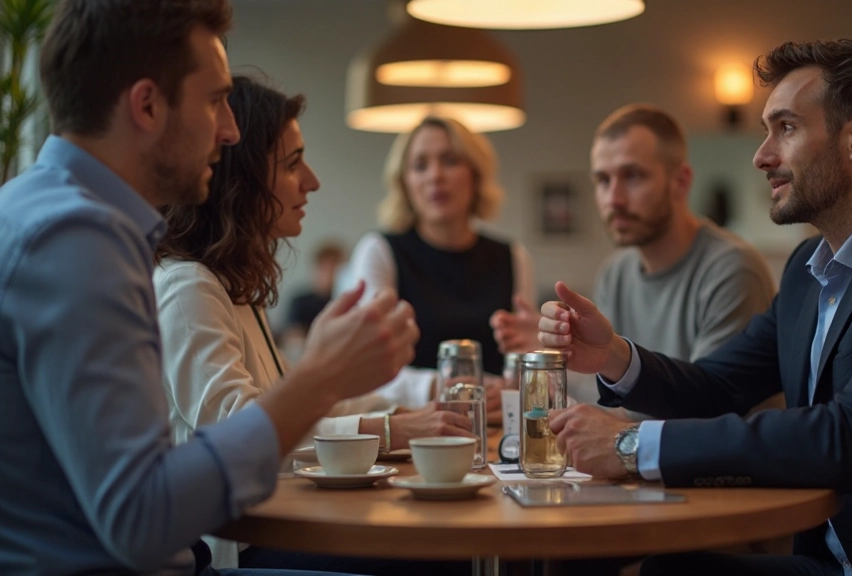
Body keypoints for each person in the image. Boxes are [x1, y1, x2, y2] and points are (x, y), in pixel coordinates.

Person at [538, 39, 852, 575]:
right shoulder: (806, 270)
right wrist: (611, 355)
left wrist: (632, 443)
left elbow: (849, 436)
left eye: (786, 128)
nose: (761, 155)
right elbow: (719, 386)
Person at [0, 2, 417, 574]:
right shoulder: (78, 238)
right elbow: (143, 521)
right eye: (215, 99)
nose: (230, 131)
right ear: (147, 105)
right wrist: (319, 381)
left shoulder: (42, 211)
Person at [155, 75, 473, 572]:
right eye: (291, 163)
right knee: (435, 555)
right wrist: (392, 430)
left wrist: (422, 403)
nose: (312, 181)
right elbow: (245, 428)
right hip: (234, 545)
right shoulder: (187, 286)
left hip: (274, 513)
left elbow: (298, 396)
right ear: (243, 177)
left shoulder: (230, 286)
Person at [492, 104, 778, 411]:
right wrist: (555, 351)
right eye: (603, 180)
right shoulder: (615, 272)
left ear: (679, 181)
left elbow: (708, 410)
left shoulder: (732, 269)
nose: (614, 198)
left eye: (632, 176)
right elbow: (608, 398)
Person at [342, 116, 535, 417]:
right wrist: (440, 387)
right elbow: (363, 371)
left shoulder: (512, 256)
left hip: (496, 427)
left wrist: (511, 386)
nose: (435, 176)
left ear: (476, 173)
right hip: (414, 425)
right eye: (420, 165)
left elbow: (524, 356)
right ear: (404, 182)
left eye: (450, 160)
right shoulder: (380, 251)